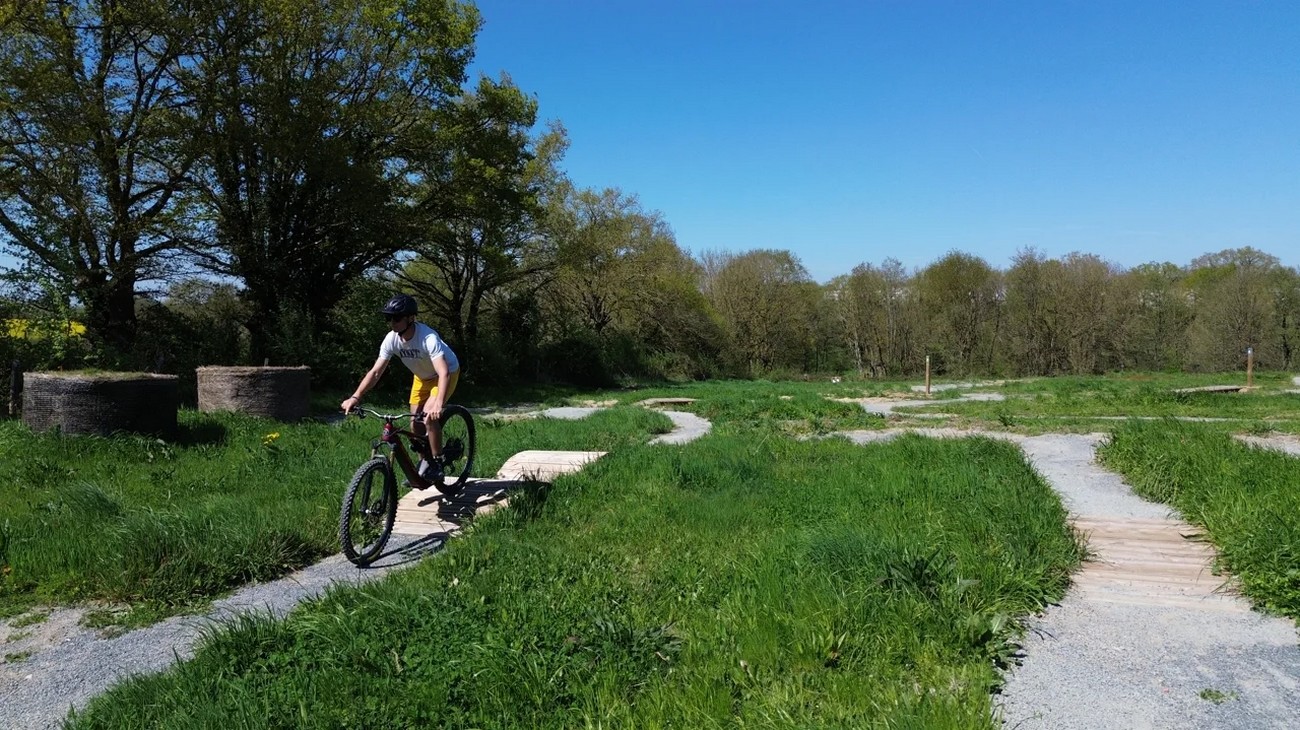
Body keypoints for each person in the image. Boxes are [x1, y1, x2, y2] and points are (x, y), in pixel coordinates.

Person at [341, 294, 460, 484]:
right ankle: (424, 464)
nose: (392, 323)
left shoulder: (428, 337)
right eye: (388, 318)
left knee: (428, 417)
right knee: (415, 424)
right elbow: (376, 372)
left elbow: (443, 372)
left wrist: (438, 403)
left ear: (410, 318)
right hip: (421, 377)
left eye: (396, 318)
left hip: (444, 374)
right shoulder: (391, 339)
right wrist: (355, 397)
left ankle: (437, 463)